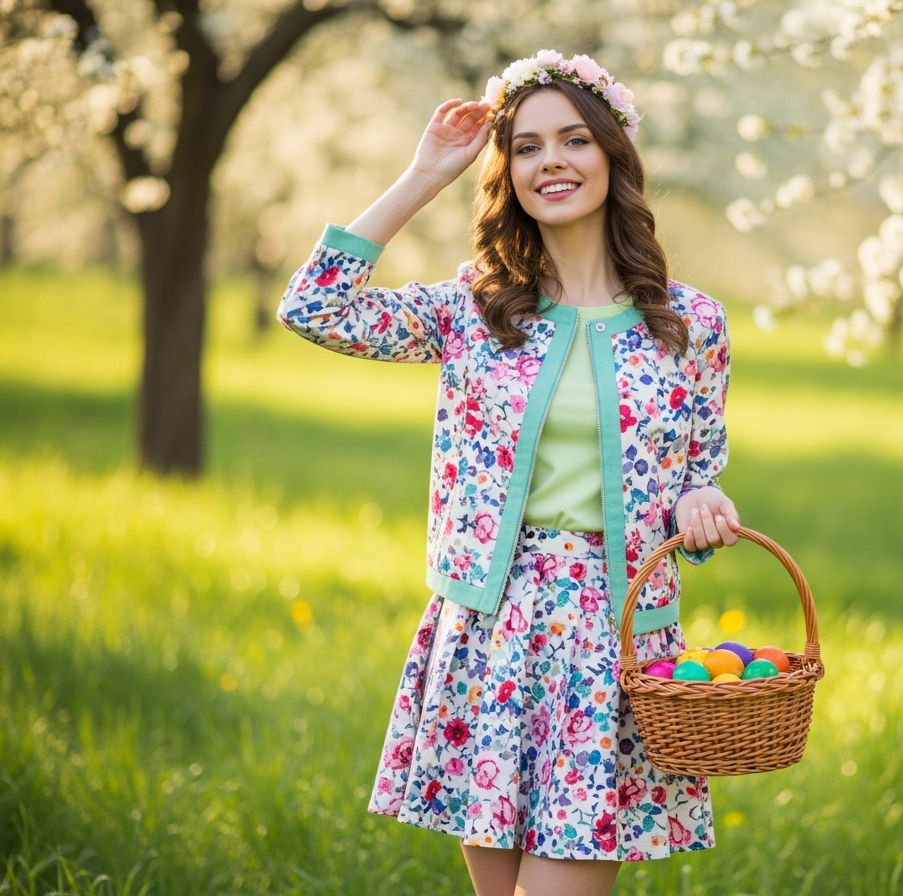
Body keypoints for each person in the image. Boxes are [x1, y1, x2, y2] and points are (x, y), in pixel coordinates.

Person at [277, 49, 738, 896]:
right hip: (489, 627)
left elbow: (698, 471)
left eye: (573, 141)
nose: (551, 161)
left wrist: (704, 506)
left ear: (612, 156)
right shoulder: (476, 310)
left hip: (613, 638)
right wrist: (424, 174)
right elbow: (315, 307)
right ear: (509, 171)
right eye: (526, 147)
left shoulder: (689, 325)